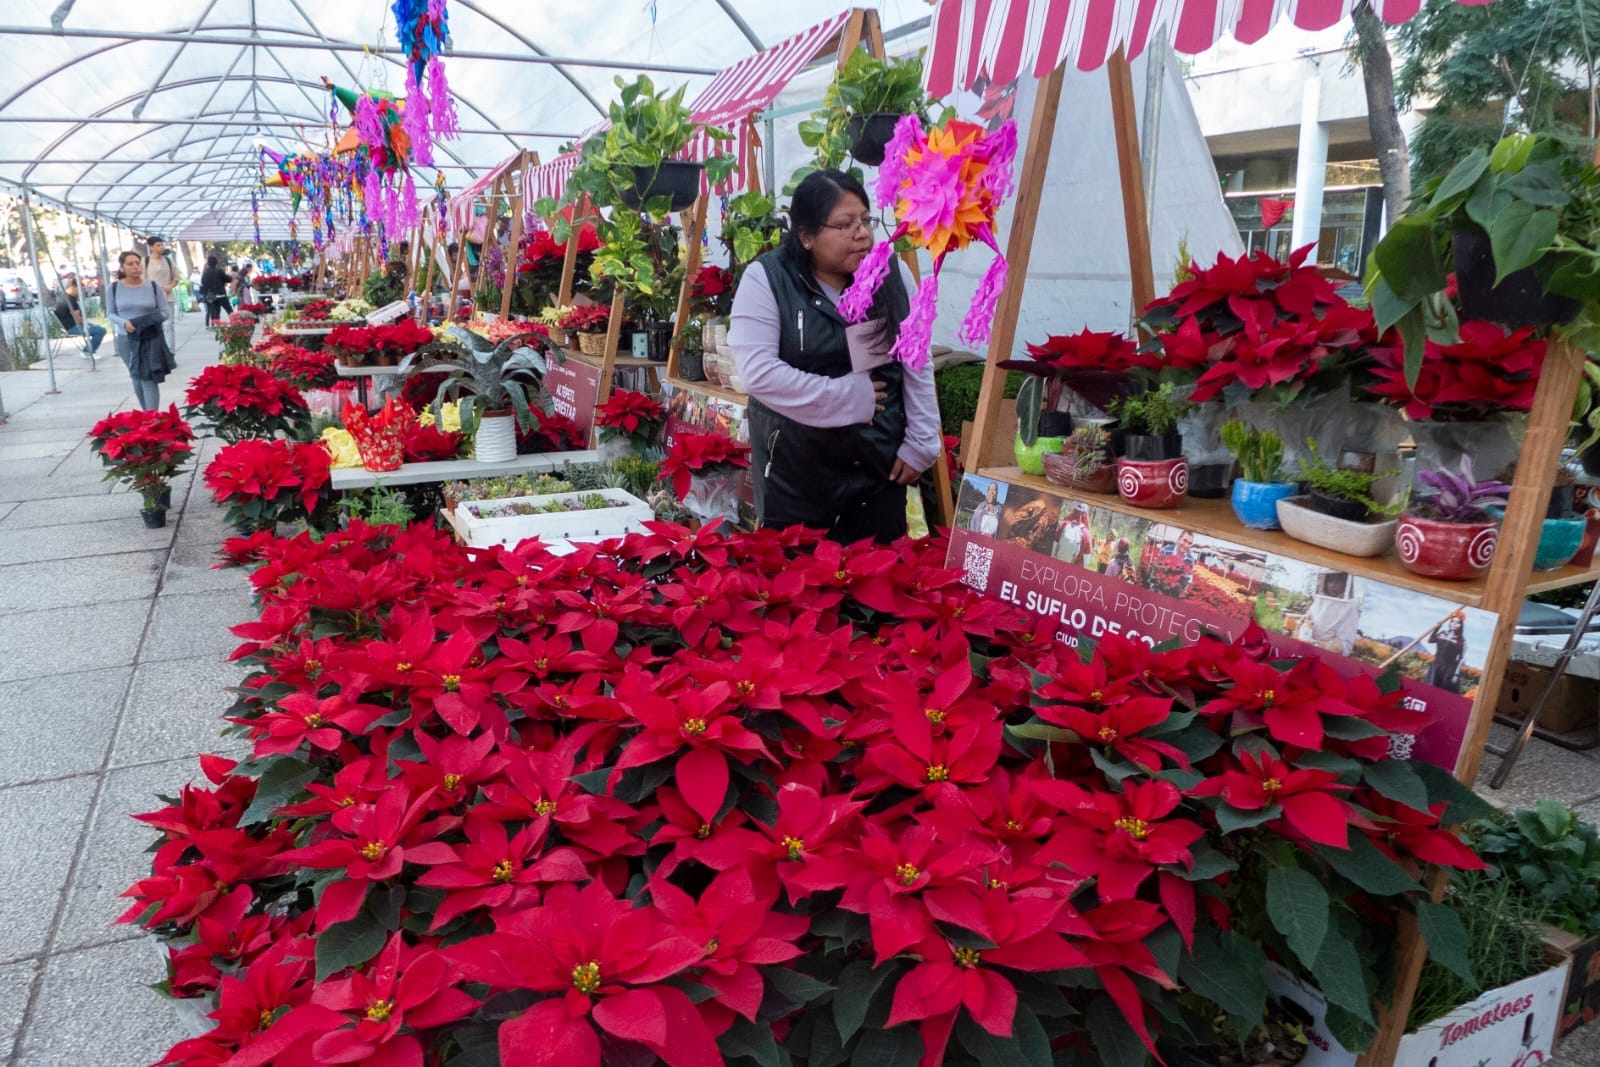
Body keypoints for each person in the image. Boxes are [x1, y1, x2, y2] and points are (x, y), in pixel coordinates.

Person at [729, 169, 940, 543]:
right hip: (796, 475)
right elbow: (758, 374)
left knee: (878, 588)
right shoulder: (767, 279)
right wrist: (846, 397)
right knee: (801, 589)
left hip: (877, 470)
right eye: (845, 224)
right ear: (807, 236)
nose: (862, 233)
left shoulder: (891, 273)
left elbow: (915, 358)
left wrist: (922, 440)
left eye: (866, 219)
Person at [106, 250, 174, 410]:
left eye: (138, 263)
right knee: (136, 376)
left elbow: (165, 312)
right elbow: (110, 313)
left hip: (149, 338)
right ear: (122, 267)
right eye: (130, 264)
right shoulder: (114, 288)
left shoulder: (152, 286)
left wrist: (147, 322)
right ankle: (146, 416)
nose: (135, 267)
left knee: (148, 377)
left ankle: (152, 417)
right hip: (126, 339)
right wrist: (124, 323)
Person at [52, 272, 105, 358]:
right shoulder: (71, 300)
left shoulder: (63, 296)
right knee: (100, 330)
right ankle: (88, 352)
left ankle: (88, 350)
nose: (80, 293)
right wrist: (90, 323)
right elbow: (78, 319)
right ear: (74, 287)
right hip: (72, 327)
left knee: (96, 328)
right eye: (80, 290)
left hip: (66, 326)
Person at [143, 236, 179, 355]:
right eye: (158, 245)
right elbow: (141, 280)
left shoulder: (168, 261)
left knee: (168, 325)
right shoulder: (145, 261)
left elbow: (176, 278)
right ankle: (156, 352)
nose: (161, 247)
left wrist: (170, 286)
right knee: (154, 326)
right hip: (150, 299)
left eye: (162, 245)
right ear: (151, 247)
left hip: (167, 298)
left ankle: (170, 352)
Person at [1055, 502, 1093, 566]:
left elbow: (1054, 547)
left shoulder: (1063, 524)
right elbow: (1086, 562)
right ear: (1085, 514)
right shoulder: (1086, 533)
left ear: (1073, 510)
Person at [200, 255, 230, 325]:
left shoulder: (206, 272)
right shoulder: (219, 271)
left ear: (208, 263)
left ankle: (214, 323)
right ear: (216, 262)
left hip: (211, 295)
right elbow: (227, 279)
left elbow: (203, 282)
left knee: (214, 309)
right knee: (228, 309)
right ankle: (235, 321)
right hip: (221, 294)